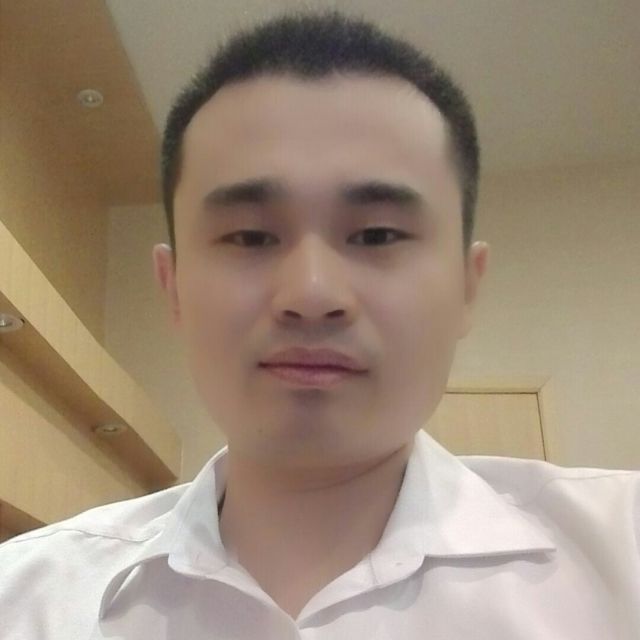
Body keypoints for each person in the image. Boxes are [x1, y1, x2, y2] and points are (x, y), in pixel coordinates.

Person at [1, 8, 638, 640]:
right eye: (250, 236)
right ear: (173, 288)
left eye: (378, 234)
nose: (311, 294)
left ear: (467, 286)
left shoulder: (622, 555)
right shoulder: (25, 601)